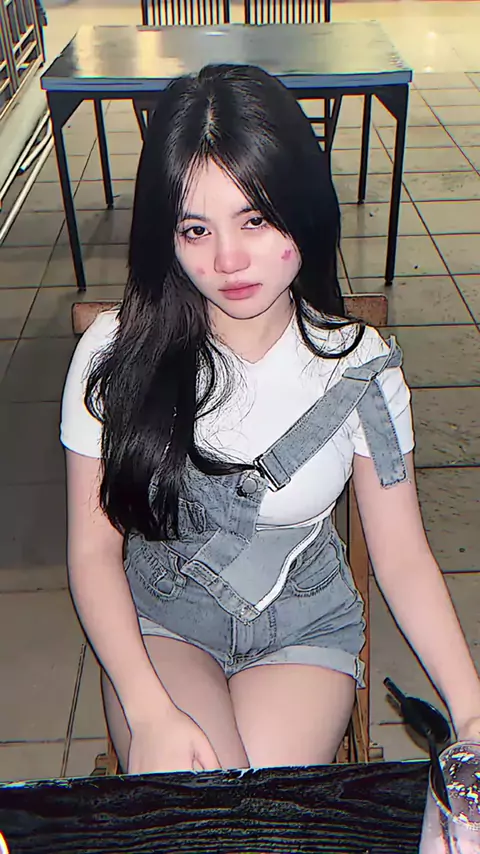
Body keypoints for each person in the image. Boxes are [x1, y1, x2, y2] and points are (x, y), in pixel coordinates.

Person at [61, 64, 480, 775]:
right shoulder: (114, 353)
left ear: (302, 207)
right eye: (196, 229)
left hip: (303, 625)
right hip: (163, 621)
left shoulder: (362, 370)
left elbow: (403, 557)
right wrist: (149, 710)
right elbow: (94, 552)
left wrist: (470, 712)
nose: (228, 259)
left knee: (262, 817)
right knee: (198, 799)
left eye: (254, 219)